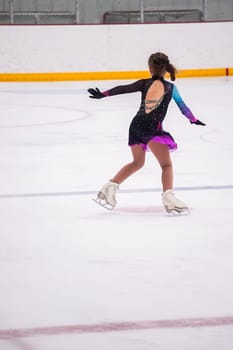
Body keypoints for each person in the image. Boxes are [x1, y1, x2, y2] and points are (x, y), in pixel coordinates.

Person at [88, 52, 205, 214]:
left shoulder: (144, 83)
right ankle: (169, 198)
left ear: (150, 68)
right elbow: (182, 106)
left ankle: (109, 188)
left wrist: (104, 94)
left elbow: (124, 88)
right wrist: (193, 119)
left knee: (137, 163)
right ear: (166, 69)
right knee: (166, 165)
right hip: (152, 129)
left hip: (136, 125)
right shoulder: (171, 87)